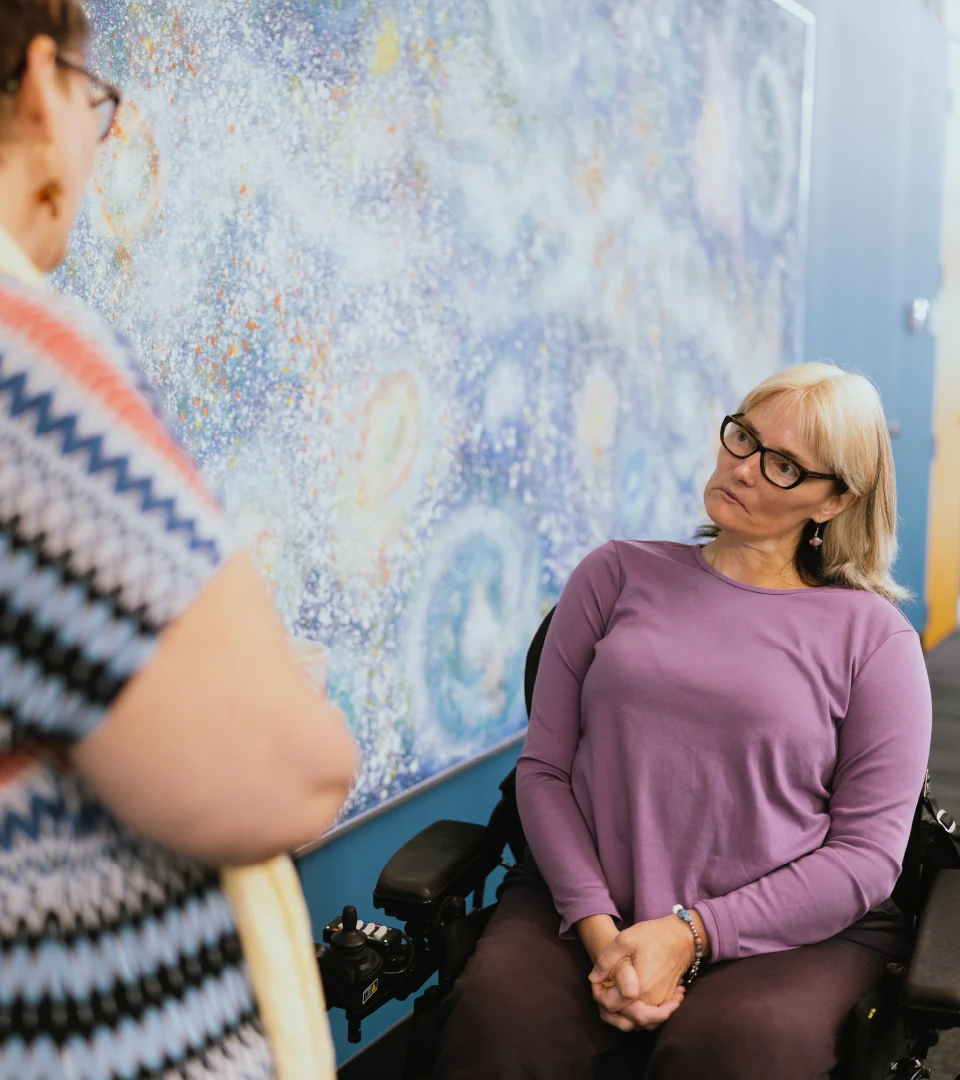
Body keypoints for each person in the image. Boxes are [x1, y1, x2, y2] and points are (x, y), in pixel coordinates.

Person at [0, 2, 357, 1076]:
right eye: (94, 100)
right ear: (38, 82)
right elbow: (290, 775)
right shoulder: (28, 368)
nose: (95, 138)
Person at [435, 363, 933, 1080]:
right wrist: (604, 934)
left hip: (792, 936)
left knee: (736, 1050)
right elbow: (543, 771)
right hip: (587, 902)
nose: (744, 469)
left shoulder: (873, 640)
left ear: (835, 500)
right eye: (743, 438)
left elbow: (867, 857)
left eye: (785, 466)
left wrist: (690, 935)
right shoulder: (613, 575)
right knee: (498, 1024)